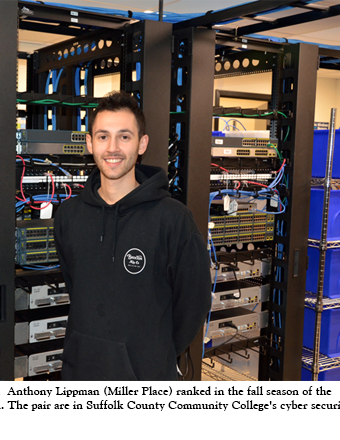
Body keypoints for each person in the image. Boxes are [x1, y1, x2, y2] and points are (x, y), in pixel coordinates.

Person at [54, 91, 211, 380]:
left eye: (124, 137)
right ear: (89, 143)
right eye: (103, 136)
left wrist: (154, 353)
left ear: (142, 144)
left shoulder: (174, 220)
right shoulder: (69, 216)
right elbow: (77, 289)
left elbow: (193, 305)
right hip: (80, 372)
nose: (112, 147)